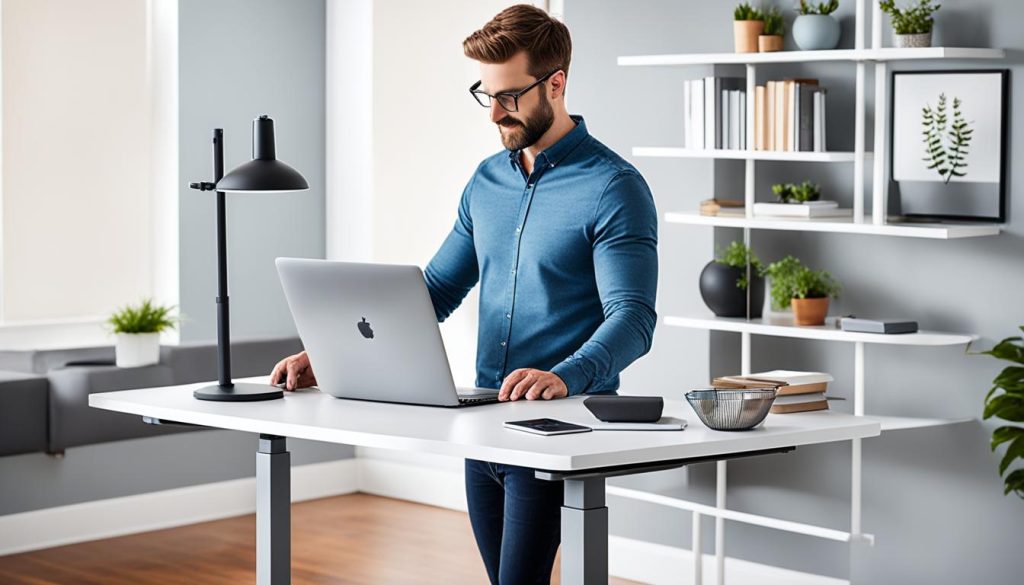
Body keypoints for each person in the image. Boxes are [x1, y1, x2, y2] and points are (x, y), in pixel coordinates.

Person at [269, 5, 658, 583]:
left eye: (510, 96)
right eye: (486, 94)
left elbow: (633, 319)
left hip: (559, 426)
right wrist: (327, 354)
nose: (496, 112)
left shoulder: (613, 187)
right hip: (484, 426)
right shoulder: (486, 181)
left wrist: (565, 374)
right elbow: (435, 290)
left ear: (557, 83)